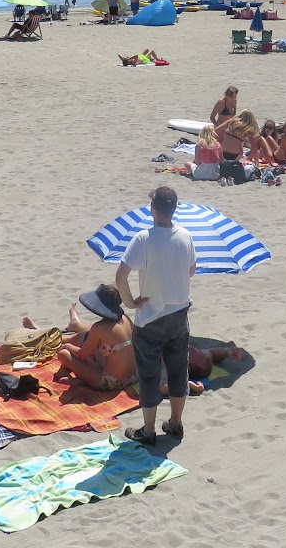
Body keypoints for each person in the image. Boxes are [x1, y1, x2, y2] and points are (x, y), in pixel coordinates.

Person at [116, 186, 197, 445]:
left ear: (153, 209)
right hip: (178, 313)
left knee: (149, 374)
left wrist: (131, 302)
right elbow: (191, 270)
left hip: (150, 316)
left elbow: (120, 277)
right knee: (177, 370)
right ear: (173, 209)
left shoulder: (144, 238)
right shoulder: (184, 235)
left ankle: (148, 431)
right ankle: (175, 423)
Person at [48, 284, 136, 391]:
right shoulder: (126, 319)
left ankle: (85, 380)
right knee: (92, 345)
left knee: (63, 354)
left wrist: (67, 346)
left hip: (111, 382)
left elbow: (82, 355)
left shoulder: (99, 328)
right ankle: (84, 379)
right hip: (133, 377)